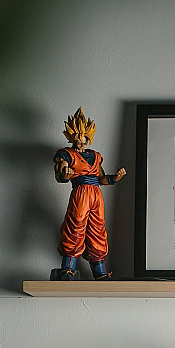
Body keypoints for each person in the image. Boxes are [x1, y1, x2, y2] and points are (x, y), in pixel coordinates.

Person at [52, 108, 125, 280]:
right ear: (72, 137)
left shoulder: (95, 156)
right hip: (80, 194)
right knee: (75, 228)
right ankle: (67, 270)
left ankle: (100, 273)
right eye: (78, 137)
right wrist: (66, 175)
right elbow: (60, 176)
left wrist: (115, 178)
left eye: (84, 137)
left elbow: (101, 179)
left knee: (97, 231)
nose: (81, 141)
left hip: (96, 196)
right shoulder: (67, 155)